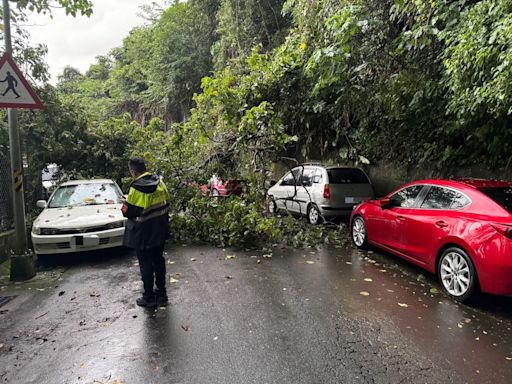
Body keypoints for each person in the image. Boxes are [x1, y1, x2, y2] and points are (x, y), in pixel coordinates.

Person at [122, 157, 171, 307]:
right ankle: (161, 293)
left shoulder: (136, 188)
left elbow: (128, 212)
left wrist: (124, 203)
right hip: (160, 229)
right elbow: (167, 202)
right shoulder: (159, 182)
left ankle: (148, 296)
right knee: (158, 260)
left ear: (134, 171)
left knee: (145, 263)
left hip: (143, 233)